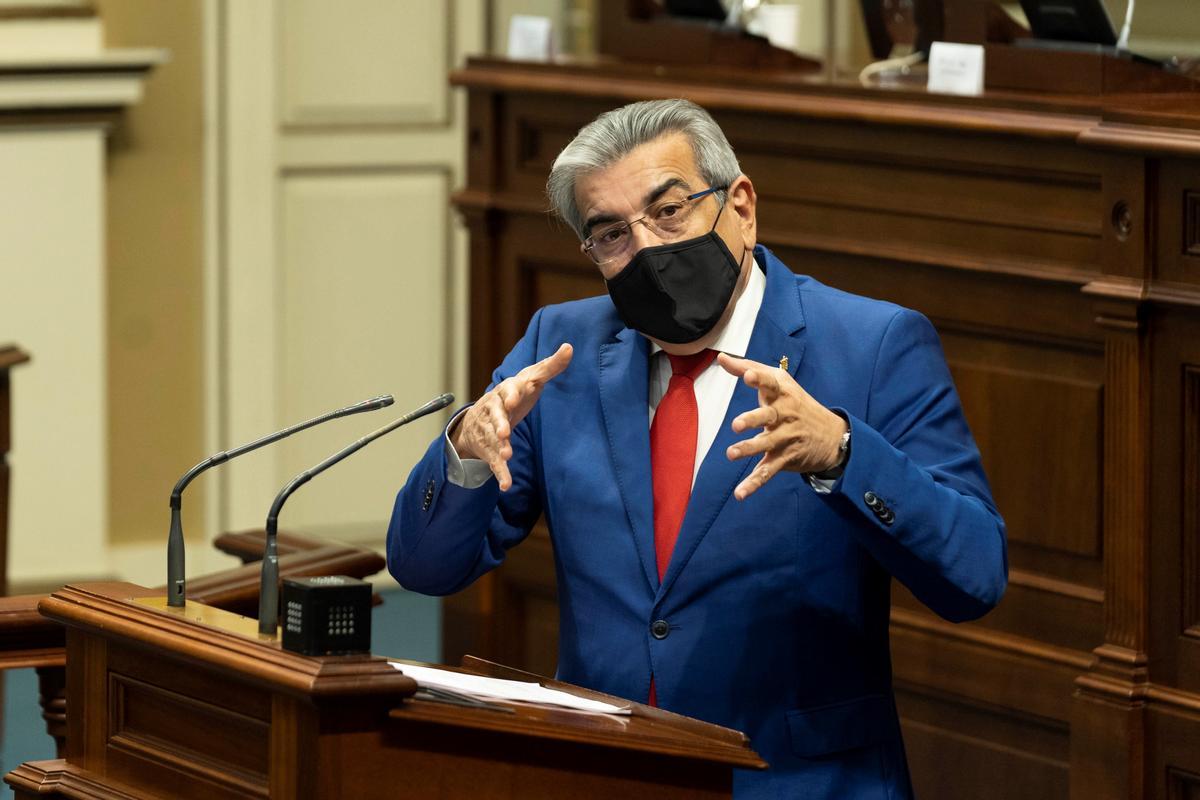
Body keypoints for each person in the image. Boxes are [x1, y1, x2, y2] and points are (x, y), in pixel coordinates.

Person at [388, 99, 1007, 799]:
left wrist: (841, 451)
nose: (648, 248)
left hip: (797, 781)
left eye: (670, 211)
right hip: (606, 776)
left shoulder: (871, 347)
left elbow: (976, 575)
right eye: (611, 234)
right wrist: (465, 453)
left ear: (740, 205)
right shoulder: (558, 351)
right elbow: (423, 568)